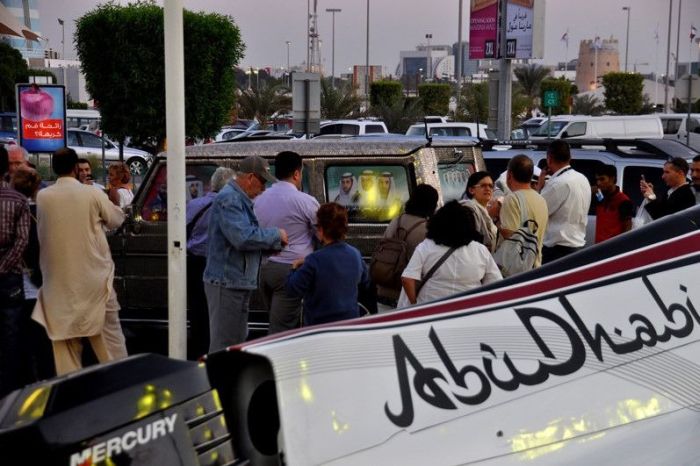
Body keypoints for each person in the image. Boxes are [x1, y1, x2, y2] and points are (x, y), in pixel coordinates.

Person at [32, 148, 128, 375]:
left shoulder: (43, 197)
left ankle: (71, 396)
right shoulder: (91, 194)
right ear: (76, 168)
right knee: (111, 345)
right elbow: (115, 220)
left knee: (66, 351)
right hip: (95, 282)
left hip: (58, 285)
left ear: (54, 168)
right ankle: (121, 384)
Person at [203, 156, 288, 351]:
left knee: (235, 342)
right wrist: (275, 235)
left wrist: (270, 245)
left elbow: (242, 239)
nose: (264, 188)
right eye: (263, 181)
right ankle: (218, 380)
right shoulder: (230, 199)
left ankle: (227, 380)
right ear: (250, 177)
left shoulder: (237, 198)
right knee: (225, 344)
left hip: (235, 281)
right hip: (227, 282)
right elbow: (241, 237)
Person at [254, 151, 319, 334]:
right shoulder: (305, 201)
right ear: (297, 174)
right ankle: (278, 362)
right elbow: (323, 232)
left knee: (276, 318)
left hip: (263, 268)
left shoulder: (259, 200)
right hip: (291, 270)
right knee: (283, 330)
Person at [398, 201, 502, 308]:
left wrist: (415, 305)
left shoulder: (426, 246)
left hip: (431, 309)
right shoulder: (480, 250)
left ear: (439, 222)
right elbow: (496, 283)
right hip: (468, 310)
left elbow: (407, 279)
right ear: (469, 225)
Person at [285, 203, 370, 326]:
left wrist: (294, 267)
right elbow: (365, 282)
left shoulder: (314, 260)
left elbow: (292, 289)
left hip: (320, 327)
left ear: (321, 230)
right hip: (350, 323)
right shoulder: (355, 254)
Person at [11, 167, 55, 383]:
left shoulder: (15, 211)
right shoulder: (45, 212)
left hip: (21, 286)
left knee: (20, 343)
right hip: (45, 286)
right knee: (44, 344)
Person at [186, 167, 234, 358]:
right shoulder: (229, 206)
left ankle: (198, 350)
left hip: (195, 261)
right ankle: (216, 353)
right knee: (219, 310)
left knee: (198, 310)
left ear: (211, 185)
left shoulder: (194, 204)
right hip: (218, 263)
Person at [376, 184, 438, 308]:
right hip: (405, 295)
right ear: (431, 205)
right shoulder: (426, 230)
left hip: (383, 288)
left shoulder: (396, 221)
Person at [0, 146, 30, 397]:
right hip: (9, 276)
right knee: (12, 334)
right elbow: (22, 241)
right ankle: (10, 394)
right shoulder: (18, 201)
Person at [536, 140, 591, 263]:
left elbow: (538, 212)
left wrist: (539, 188)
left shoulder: (557, 184)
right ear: (570, 158)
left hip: (558, 250)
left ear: (549, 159)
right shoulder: (583, 178)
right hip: (578, 245)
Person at [496, 154, 549, 267]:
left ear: (509, 175)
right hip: (535, 264)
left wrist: (496, 220)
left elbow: (511, 235)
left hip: (516, 268)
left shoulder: (512, 199)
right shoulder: (541, 199)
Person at [459, 171, 499, 252]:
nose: (488, 189)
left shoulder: (484, 211)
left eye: (490, 186)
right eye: (483, 185)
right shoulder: (469, 210)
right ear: (471, 190)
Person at [593, 164, 633, 243]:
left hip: (613, 248)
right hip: (598, 247)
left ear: (612, 179)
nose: (598, 183)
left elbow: (627, 227)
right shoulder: (599, 197)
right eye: (597, 180)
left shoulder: (623, 200)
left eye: (602, 179)